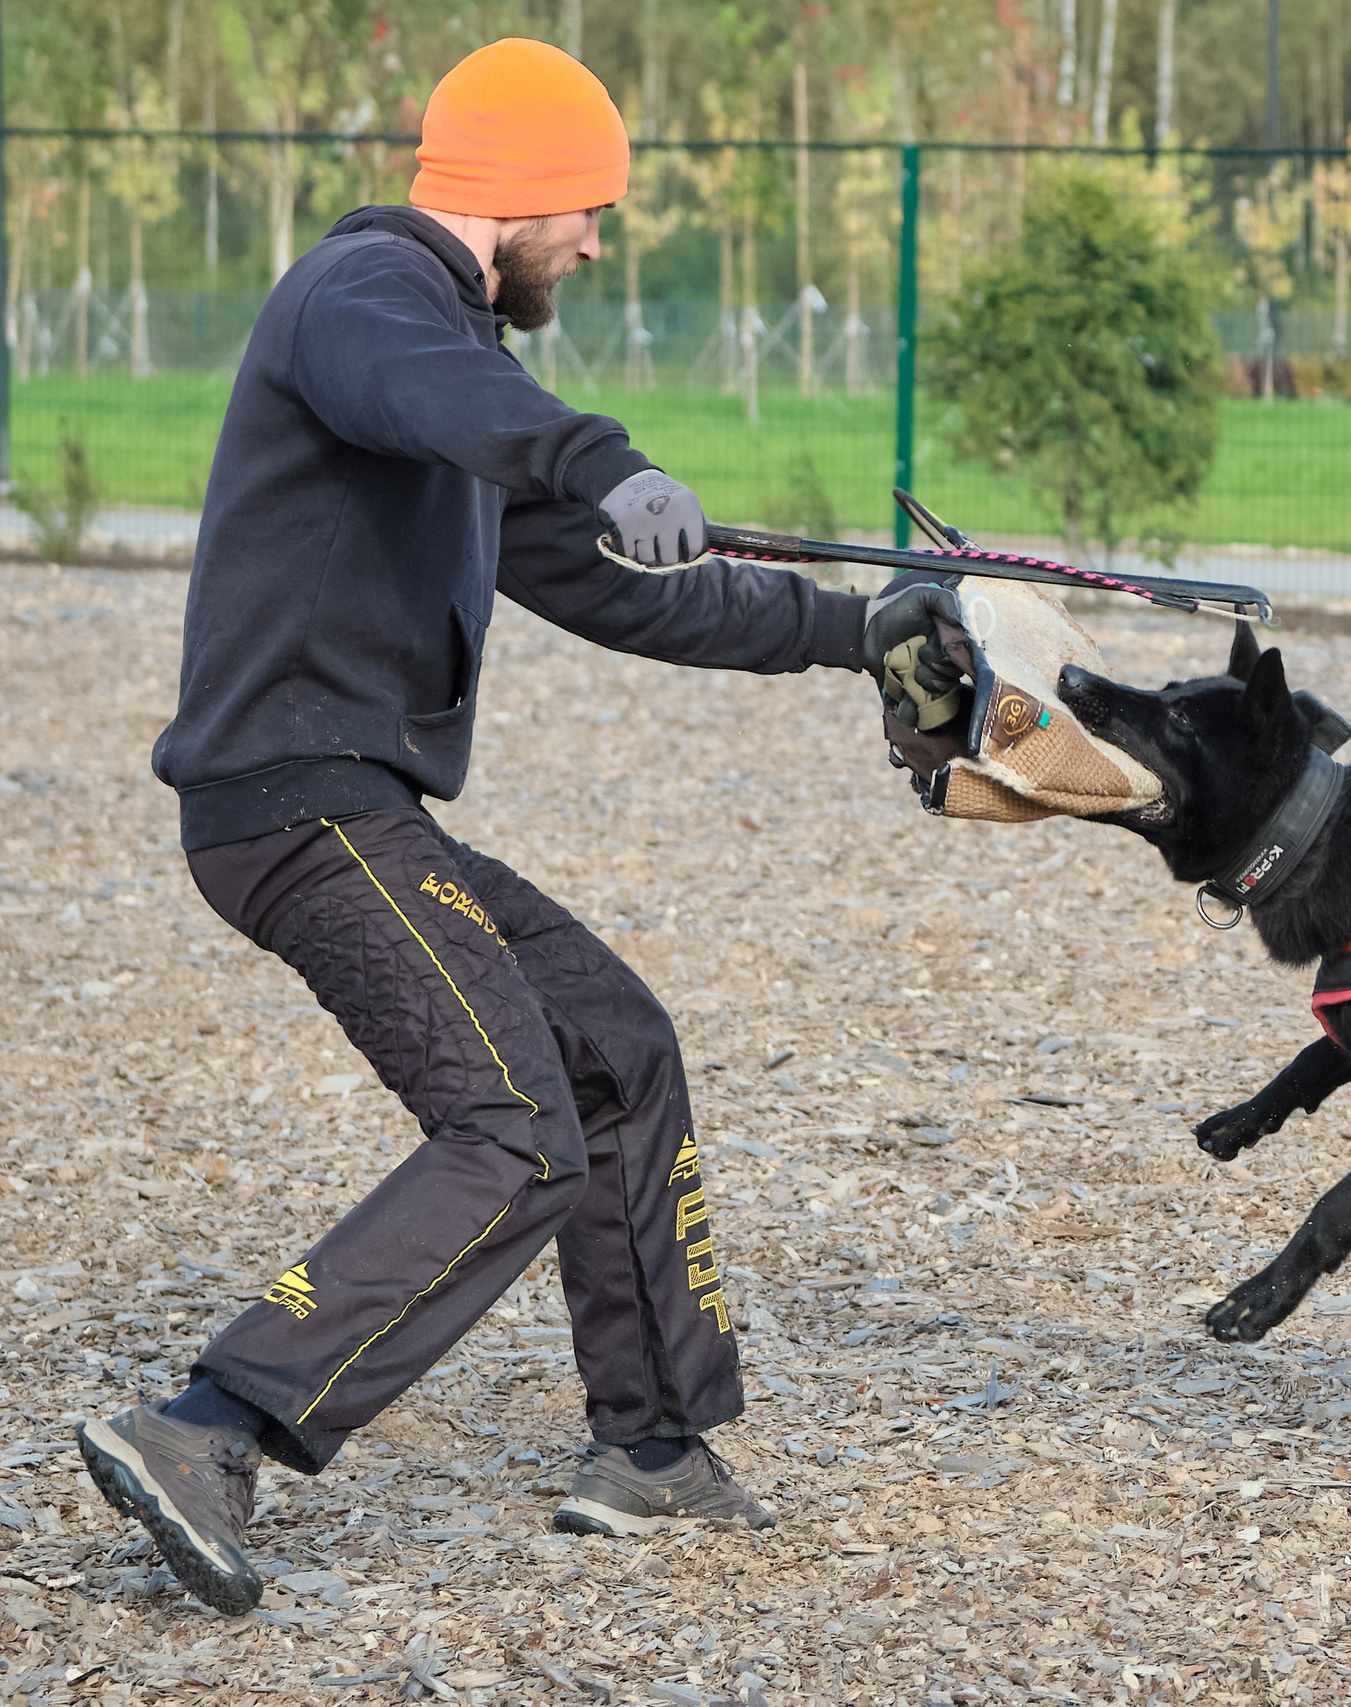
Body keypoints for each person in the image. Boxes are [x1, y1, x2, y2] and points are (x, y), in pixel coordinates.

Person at [73, 38, 960, 1617]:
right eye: (591, 212)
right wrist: (598, 450)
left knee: (616, 1048)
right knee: (517, 1127)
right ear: (523, 194)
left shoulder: (462, 382)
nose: (598, 246)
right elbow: (446, 392)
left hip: (358, 806)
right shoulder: (365, 299)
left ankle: (651, 1446)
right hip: (295, 805)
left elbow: (625, 588)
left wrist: (855, 636)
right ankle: (210, 1423)